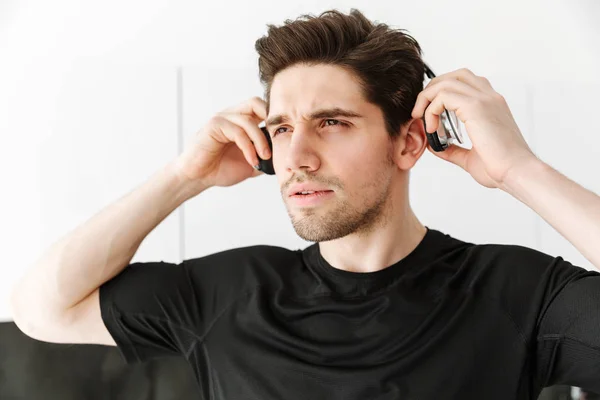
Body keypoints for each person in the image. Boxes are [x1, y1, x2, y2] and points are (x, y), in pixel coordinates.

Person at [10, 8, 600, 400]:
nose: (298, 156)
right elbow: (44, 312)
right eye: (282, 128)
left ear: (408, 142)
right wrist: (183, 176)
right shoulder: (228, 293)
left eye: (332, 123)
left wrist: (520, 170)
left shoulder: (512, 292)